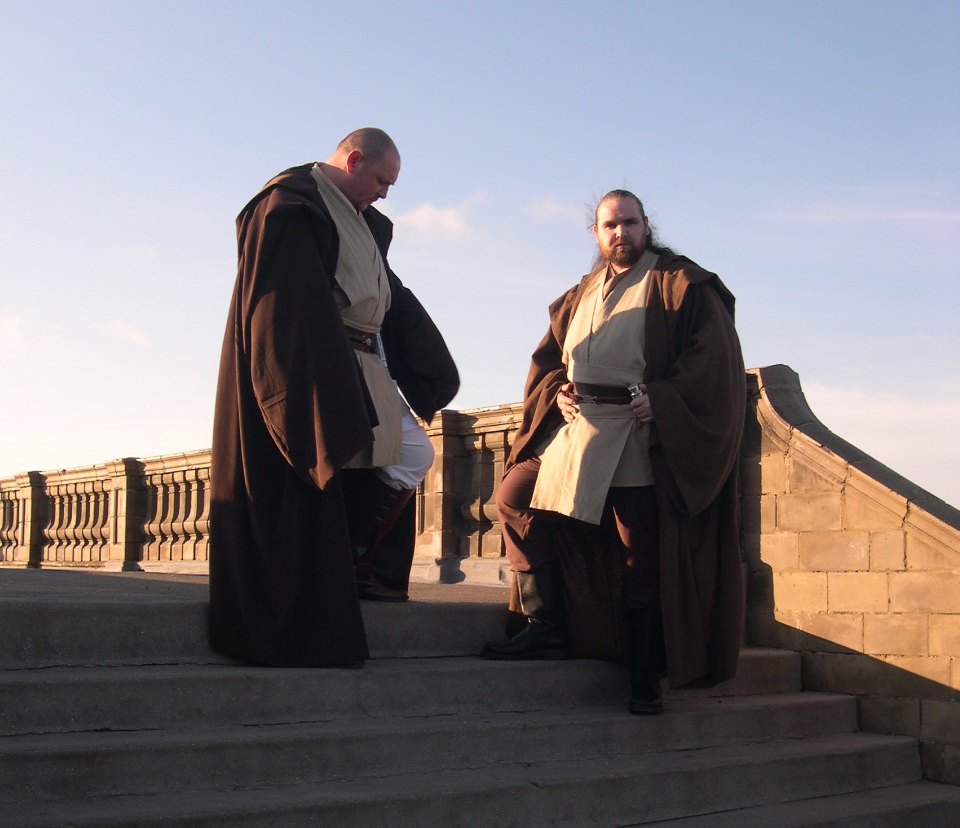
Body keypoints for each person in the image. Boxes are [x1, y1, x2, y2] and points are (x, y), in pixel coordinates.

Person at [483, 189, 745, 714]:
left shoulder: (679, 283)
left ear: (646, 225)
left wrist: (664, 398)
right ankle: (546, 626)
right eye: (610, 225)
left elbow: (715, 361)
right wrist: (557, 389)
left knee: (639, 554)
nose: (620, 232)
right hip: (578, 431)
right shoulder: (582, 291)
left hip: (635, 431)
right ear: (596, 233)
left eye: (629, 222)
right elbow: (552, 360)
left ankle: (645, 676)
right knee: (512, 497)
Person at [209, 128, 459, 667]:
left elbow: (386, 293)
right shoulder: (290, 204)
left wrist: (426, 362)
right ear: (353, 159)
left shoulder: (363, 220)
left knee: (414, 453)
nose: (385, 193)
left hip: (367, 362)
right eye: (381, 180)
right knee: (331, 462)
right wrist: (303, 379)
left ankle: (352, 561)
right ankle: (330, 574)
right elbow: (282, 304)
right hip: (320, 359)